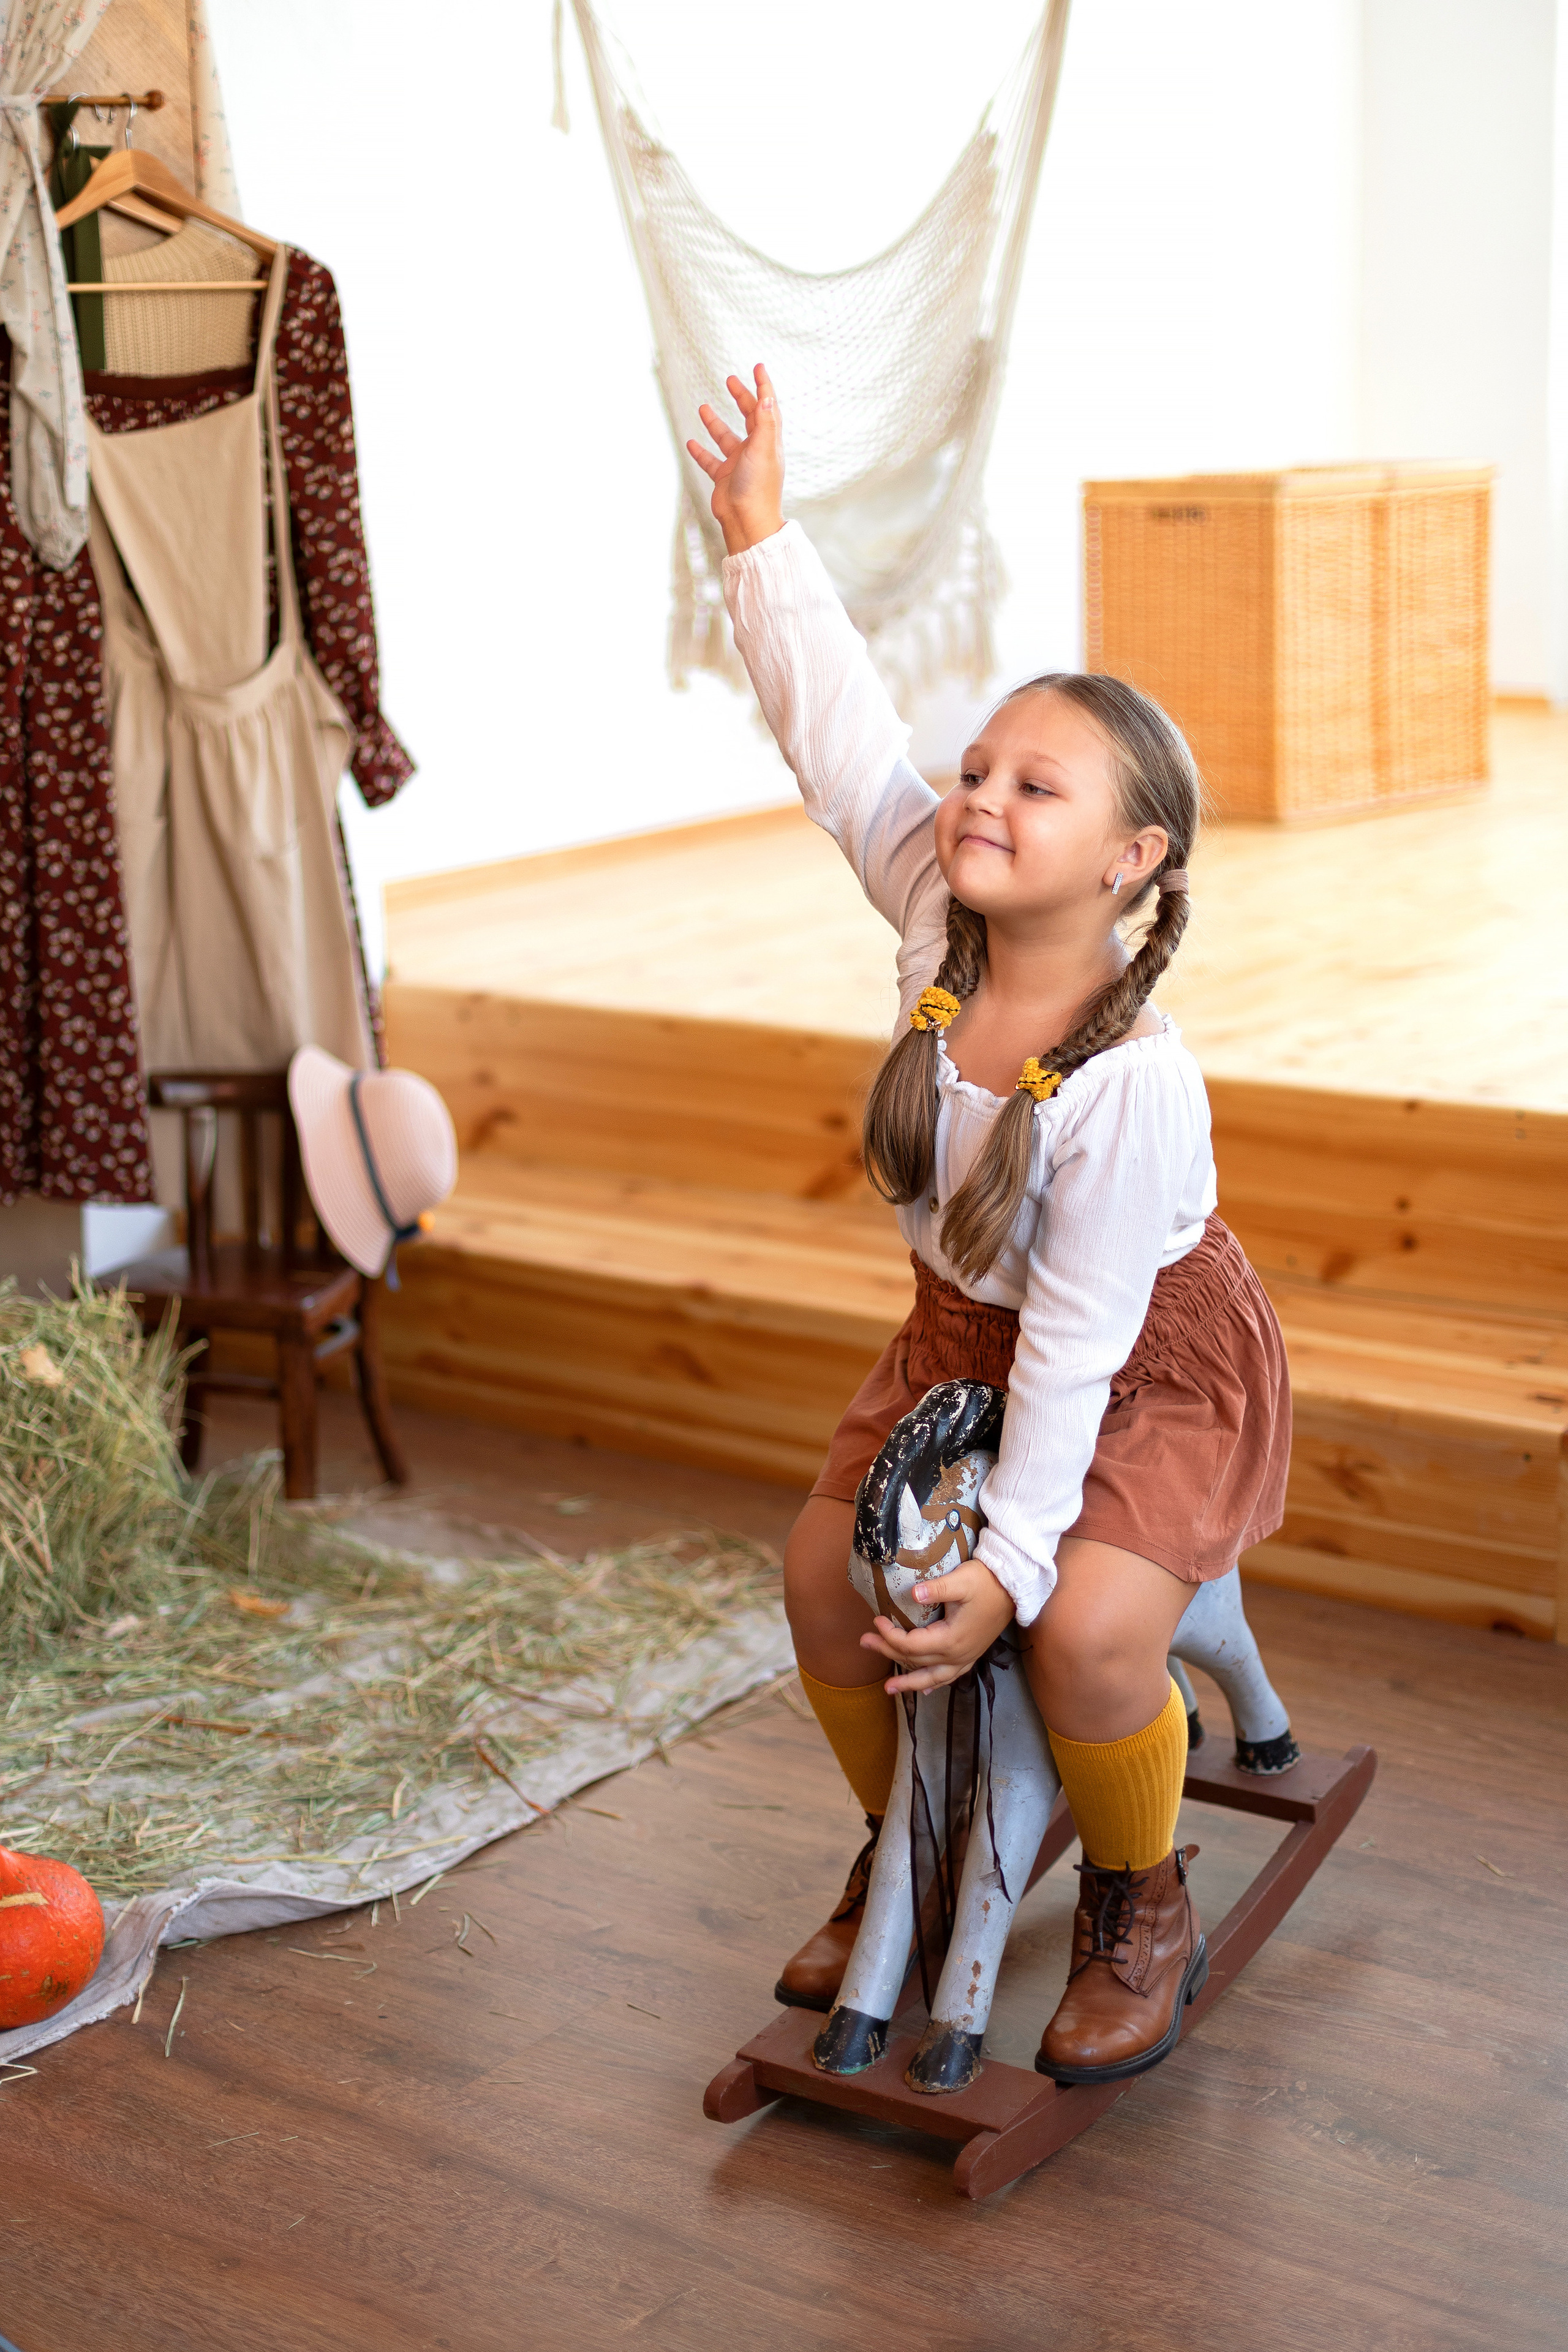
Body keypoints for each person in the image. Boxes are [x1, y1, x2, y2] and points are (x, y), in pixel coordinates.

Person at [685, 367, 1292, 2084]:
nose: (980, 802)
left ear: (1132, 860)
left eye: (1041, 791)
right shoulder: (931, 922)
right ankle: (914, 1839)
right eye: (980, 772)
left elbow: (1085, 1353)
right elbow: (837, 738)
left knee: (1094, 1632)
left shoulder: (1130, 1082)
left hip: (1143, 1367)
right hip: (963, 1339)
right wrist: (760, 540)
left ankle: (1135, 1887)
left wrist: (1013, 1572)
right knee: (821, 1578)